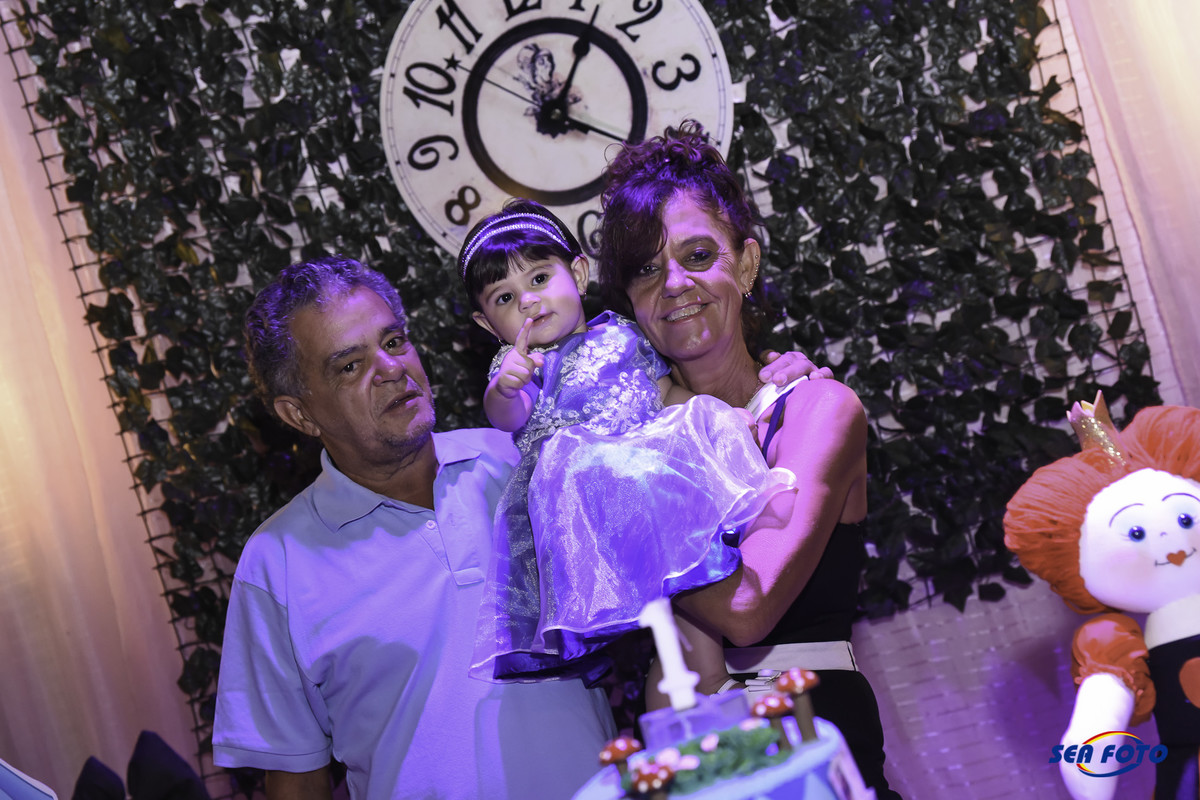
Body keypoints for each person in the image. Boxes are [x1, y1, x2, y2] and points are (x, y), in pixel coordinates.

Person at [211, 256, 616, 800]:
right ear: (299, 415)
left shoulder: (525, 458)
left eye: (394, 341)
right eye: (349, 366)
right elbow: (295, 776)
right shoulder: (276, 563)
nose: (391, 368)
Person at [597, 121, 901, 799]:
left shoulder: (818, 408)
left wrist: (608, 517)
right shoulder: (634, 446)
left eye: (698, 254)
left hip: (815, 742)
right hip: (700, 762)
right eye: (646, 269)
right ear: (631, 304)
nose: (674, 283)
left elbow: (747, 609)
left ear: (746, 264)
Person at [460, 199, 813, 694]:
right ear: (485, 323)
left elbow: (665, 394)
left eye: (539, 279)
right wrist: (504, 388)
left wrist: (716, 418)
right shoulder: (522, 365)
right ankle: (698, 680)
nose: (528, 302)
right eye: (504, 297)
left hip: (648, 477)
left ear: (578, 274)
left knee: (691, 575)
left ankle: (709, 675)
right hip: (589, 496)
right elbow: (509, 418)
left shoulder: (623, 333)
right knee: (668, 603)